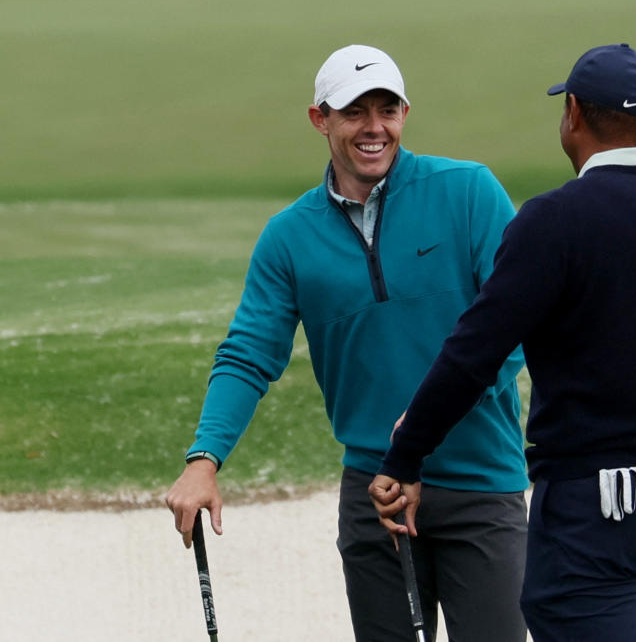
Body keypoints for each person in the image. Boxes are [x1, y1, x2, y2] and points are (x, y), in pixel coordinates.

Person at [369, 43, 636, 641]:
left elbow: (475, 352)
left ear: (571, 113)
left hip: (594, 511)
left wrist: (405, 454)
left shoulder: (553, 220)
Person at [164, 44, 529, 642]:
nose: (374, 127)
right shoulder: (288, 237)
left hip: (480, 485)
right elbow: (249, 353)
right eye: (355, 111)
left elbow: (512, 326)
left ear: (405, 114)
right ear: (320, 119)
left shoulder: (469, 192)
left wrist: (422, 432)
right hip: (374, 496)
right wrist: (204, 460)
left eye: (387, 109)